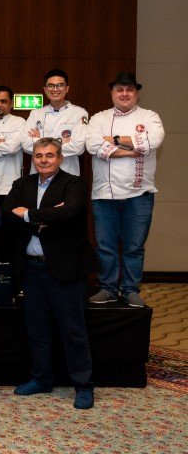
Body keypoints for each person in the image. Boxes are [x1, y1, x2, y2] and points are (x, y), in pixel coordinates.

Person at [2, 138, 97, 410]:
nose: (43, 160)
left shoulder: (75, 184)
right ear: (33, 159)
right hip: (31, 269)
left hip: (65, 270)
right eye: (39, 155)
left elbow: (69, 213)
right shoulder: (22, 184)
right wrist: (45, 217)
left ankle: (83, 386)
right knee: (37, 329)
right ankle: (41, 379)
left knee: (73, 330)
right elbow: (7, 214)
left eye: (50, 155)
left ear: (60, 158)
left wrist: (29, 215)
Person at [86, 72, 165, 308]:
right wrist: (132, 149)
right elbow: (92, 144)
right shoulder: (99, 118)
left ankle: (130, 290)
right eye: (119, 89)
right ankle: (108, 288)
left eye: (129, 89)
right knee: (105, 246)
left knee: (134, 247)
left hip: (140, 195)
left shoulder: (150, 116)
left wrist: (114, 139)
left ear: (136, 93)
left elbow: (154, 141)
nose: (124, 94)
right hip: (104, 194)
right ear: (112, 93)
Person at [23, 69, 88, 176]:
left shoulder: (79, 113)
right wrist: (61, 141)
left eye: (60, 85)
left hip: (68, 174)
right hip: (38, 174)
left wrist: (39, 141)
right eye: (51, 86)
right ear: (45, 89)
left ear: (67, 88)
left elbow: (78, 147)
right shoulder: (36, 113)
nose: (55, 89)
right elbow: (26, 144)